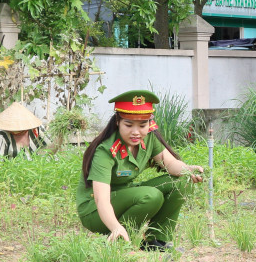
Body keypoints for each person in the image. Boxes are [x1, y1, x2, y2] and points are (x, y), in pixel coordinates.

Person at [76, 90, 204, 249]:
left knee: (183, 180)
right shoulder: (106, 150)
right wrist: (116, 226)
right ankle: (120, 240)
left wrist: (188, 169)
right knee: (151, 196)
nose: (136, 132)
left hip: (126, 196)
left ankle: (156, 241)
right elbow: (101, 199)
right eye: (128, 125)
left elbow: (170, 164)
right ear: (117, 121)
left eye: (142, 125)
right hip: (95, 212)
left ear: (150, 124)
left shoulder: (149, 138)